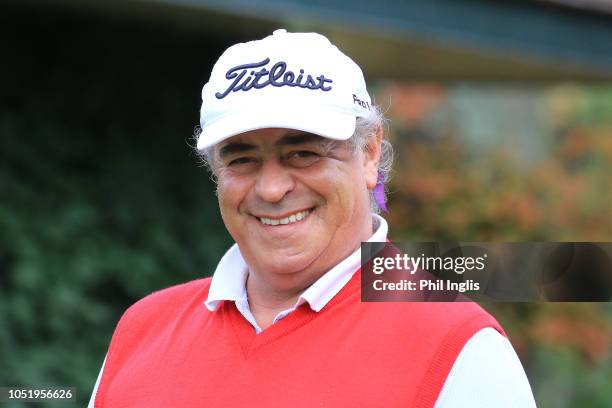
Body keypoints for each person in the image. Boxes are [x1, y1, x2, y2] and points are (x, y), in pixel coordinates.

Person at [89, 29, 536, 407]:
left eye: (302, 153)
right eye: (242, 159)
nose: (271, 188)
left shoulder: (459, 347)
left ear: (369, 153)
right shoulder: (142, 329)